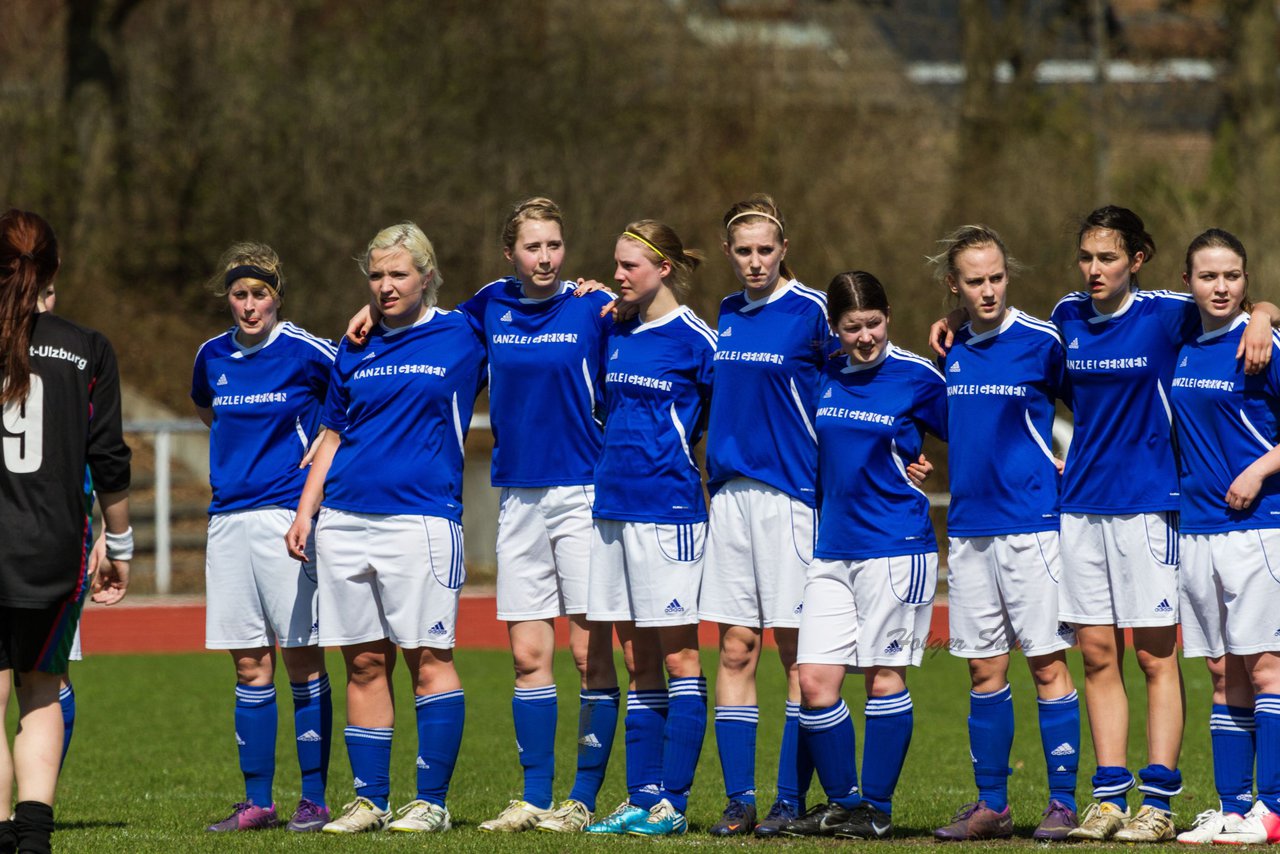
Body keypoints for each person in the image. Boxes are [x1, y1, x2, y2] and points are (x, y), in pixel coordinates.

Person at [929, 206, 1278, 842]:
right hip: (1079, 510)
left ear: (1136, 261)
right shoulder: (1066, 317)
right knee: (1095, 655)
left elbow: (1229, 297)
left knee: (1154, 657)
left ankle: (1159, 800)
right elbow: (1020, 353)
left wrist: (1263, 313)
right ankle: (1109, 797)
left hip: (1148, 507)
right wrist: (955, 318)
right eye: (1087, 257)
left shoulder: (1166, 313)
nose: (1095, 270)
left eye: (1108, 258)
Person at [344, 198, 620, 833]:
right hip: (517, 497)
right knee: (527, 656)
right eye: (532, 247)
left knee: (587, 656)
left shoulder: (592, 308)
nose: (545, 258)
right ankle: (534, 798)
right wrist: (369, 310)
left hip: (582, 494)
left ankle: (581, 798)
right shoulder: (488, 305)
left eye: (554, 245)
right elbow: (421, 319)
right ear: (510, 254)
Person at [285, 222, 486, 834]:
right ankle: (370, 801)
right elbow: (332, 432)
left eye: (399, 274)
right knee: (364, 663)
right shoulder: (354, 344)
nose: (385, 285)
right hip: (344, 519)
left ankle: (431, 803)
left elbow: (530, 298)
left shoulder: (464, 332)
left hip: (420, 520)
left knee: (428, 657)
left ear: (427, 275)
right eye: (375, 275)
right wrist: (306, 508)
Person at [925, 226, 1081, 841]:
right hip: (967, 531)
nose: (987, 290)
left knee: (1047, 666)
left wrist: (1081, 463)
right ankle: (992, 806)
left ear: (1006, 276)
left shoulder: (1043, 341)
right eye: (974, 281)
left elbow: (1098, 402)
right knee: (983, 671)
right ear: (954, 285)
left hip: (1033, 528)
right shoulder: (952, 344)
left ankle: (1063, 804)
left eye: (995, 278)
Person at [782, 270, 947, 841]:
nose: (866, 337)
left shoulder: (918, 377)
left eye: (874, 323)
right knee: (814, 682)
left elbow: (974, 434)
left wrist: (924, 464)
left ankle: (874, 809)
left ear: (889, 317)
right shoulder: (823, 372)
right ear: (834, 328)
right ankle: (846, 803)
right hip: (831, 549)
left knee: (883, 677)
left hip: (896, 546)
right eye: (852, 327)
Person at [191, 243, 336, 832]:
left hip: (286, 519)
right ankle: (258, 802)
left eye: (261, 294)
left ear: (278, 295)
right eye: (240, 295)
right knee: (249, 663)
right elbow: (208, 411)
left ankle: (316, 798)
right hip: (227, 519)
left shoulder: (306, 351)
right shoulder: (210, 355)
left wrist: (315, 464)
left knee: (302, 658)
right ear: (227, 297)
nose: (249, 307)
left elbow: (350, 398)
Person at [0, 208, 132, 854]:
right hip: (56, 548)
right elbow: (108, 458)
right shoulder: (86, 347)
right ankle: (33, 841)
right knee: (41, 693)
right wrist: (122, 542)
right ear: (54, 270)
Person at [698, 195, 827, 837]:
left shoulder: (812, 312)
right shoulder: (723, 313)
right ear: (729, 253)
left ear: (784, 250)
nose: (754, 262)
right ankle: (739, 800)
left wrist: (896, 452)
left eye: (765, 250)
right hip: (729, 500)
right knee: (736, 647)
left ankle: (786, 799)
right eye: (743, 251)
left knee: (797, 656)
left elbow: (863, 375)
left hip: (790, 499)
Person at [582, 221, 715, 837]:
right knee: (636, 657)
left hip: (669, 513)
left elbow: (736, 414)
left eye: (630, 265)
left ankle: (676, 804)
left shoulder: (696, 341)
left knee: (680, 654)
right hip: (612, 509)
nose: (618, 275)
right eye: (615, 263)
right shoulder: (612, 326)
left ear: (663, 268)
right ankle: (642, 797)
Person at [1169, 229, 1280, 845]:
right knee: (1221, 670)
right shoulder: (1182, 341)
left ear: (1246, 279)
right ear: (1188, 281)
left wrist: (1261, 469)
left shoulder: (1263, 343)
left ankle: (1275, 808)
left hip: (1259, 529)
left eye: (1232, 276)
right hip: (1199, 530)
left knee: (1267, 668)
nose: (1220, 286)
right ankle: (1234, 810)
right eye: (1208, 276)